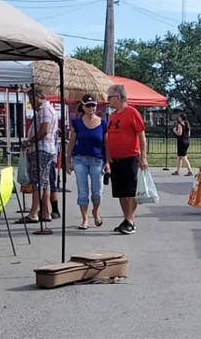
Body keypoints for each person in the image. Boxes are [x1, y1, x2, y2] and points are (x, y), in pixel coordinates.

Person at [105, 83, 148, 235]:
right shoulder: (113, 115)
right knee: (121, 192)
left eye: (109, 96)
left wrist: (143, 157)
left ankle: (130, 219)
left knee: (130, 191)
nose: (107, 99)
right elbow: (108, 136)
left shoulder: (132, 112)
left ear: (118, 97)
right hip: (115, 159)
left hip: (130, 157)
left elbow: (142, 136)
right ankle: (126, 219)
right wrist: (108, 155)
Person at [66, 95, 107, 230]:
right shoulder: (77, 123)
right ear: (82, 107)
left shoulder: (102, 123)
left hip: (97, 159)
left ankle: (96, 211)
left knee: (97, 191)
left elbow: (106, 143)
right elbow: (71, 142)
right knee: (83, 190)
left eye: (93, 105)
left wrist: (107, 162)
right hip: (80, 159)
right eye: (88, 105)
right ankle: (85, 218)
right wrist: (68, 161)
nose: (91, 108)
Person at [20, 88, 58, 225]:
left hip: (41, 149)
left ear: (38, 97)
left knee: (38, 182)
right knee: (44, 181)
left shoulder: (45, 110)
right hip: (46, 149)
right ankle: (45, 212)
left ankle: (34, 213)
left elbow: (44, 130)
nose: (30, 102)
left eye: (31, 99)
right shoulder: (45, 110)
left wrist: (29, 142)